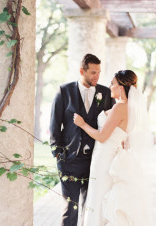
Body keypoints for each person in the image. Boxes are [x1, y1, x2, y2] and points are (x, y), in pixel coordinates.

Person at [74, 70, 154, 226]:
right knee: (101, 196)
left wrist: (82, 124)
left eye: (113, 83)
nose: (110, 86)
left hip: (105, 158)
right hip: (111, 156)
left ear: (121, 88)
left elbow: (102, 136)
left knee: (98, 198)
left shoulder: (120, 108)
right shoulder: (131, 108)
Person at [50, 54, 115, 226]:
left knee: (91, 207)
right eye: (93, 72)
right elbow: (55, 126)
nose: (97, 76)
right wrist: (58, 154)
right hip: (69, 160)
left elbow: (113, 123)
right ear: (81, 71)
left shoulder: (105, 93)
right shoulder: (64, 91)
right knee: (71, 207)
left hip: (95, 160)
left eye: (99, 72)